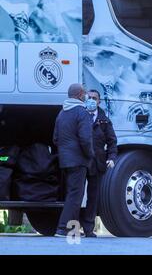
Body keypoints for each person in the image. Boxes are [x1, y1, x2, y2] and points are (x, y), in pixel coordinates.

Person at [53, 84, 94, 237]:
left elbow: (55, 138)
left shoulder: (62, 113)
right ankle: (63, 228)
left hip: (65, 160)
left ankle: (74, 229)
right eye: (84, 93)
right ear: (79, 95)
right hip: (78, 160)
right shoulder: (82, 112)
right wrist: (90, 154)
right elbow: (85, 138)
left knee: (73, 194)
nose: (86, 96)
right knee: (75, 196)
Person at [80, 89, 118, 237]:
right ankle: (73, 226)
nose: (91, 100)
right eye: (89, 97)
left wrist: (112, 157)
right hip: (81, 162)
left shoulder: (105, 120)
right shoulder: (80, 116)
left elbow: (112, 141)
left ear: (99, 101)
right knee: (76, 195)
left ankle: (88, 229)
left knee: (93, 196)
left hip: (97, 163)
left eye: (94, 98)